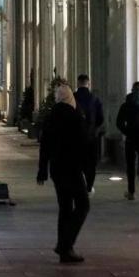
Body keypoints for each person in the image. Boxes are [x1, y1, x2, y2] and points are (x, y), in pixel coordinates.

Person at [37, 84, 91, 263]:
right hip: (72, 168)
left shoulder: (51, 116)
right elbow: (84, 146)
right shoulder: (76, 116)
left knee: (65, 207)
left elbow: (44, 145)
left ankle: (64, 249)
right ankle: (65, 244)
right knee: (83, 205)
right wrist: (89, 172)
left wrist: (42, 170)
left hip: (57, 169)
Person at [73, 75, 105, 193]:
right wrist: (94, 128)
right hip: (91, 137)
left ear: (78, 83)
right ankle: (89, 185)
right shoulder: (95, 98)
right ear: (88, 83)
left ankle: (79, 185)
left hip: (75, 137)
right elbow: (101, 118)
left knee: (77, 162)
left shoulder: (72, 98)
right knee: (91, 163)